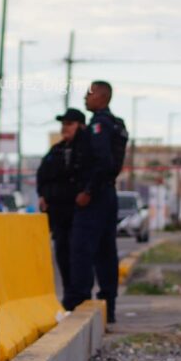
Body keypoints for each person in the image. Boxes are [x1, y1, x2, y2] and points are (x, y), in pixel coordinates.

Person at [65, 81, 129, 323]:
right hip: (107, 194)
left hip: (95, 195)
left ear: (102, 97)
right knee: (105, 252)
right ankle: (108, 305)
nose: (85, 97)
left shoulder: (100, 125)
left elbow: (102, 162)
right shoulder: (115, 124)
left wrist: (88, 191)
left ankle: (78, 303)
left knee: (82, 249)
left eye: (89, 94)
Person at [37, 108, 86, 296]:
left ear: (81, 126)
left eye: (69, 124)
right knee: (62, 255)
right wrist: (43, 195)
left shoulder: (85, 150)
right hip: (58, 213)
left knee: (78, 256)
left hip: (79, 212)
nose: (65, 128)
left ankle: (79, 295)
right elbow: (42, 175)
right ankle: (69, 294)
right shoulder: (56, 150)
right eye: (63, 124)